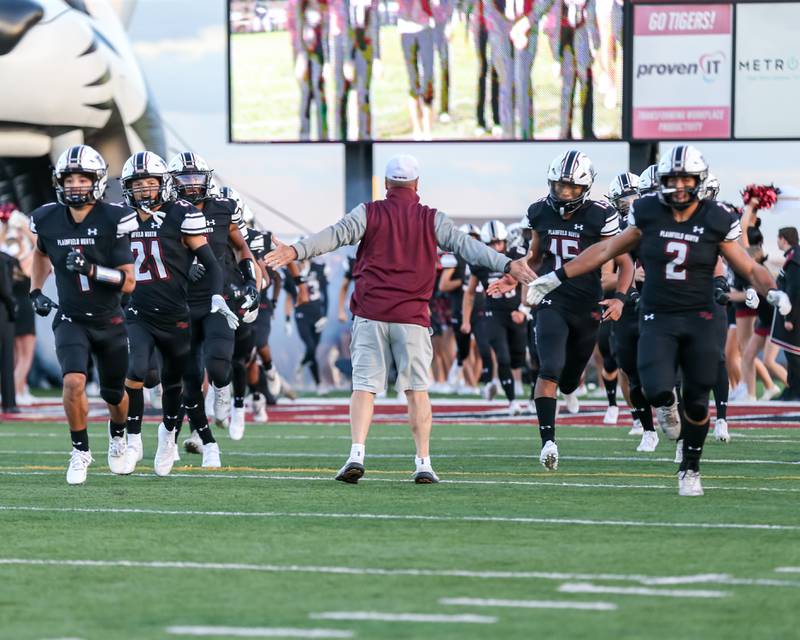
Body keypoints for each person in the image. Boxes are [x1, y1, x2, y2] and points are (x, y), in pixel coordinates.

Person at [525, 144, 791, 496]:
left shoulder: (716, 216)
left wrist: (771, 289)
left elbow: (746, 265)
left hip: (699, 314)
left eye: (686, 179)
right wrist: (557, 276)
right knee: (653, 386)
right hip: (658, 311)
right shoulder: (647, 211)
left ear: (698, 181)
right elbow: (607, 250)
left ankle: (690, 468)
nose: (679, 186)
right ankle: (665, 408)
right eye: (672, 179)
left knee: (696, 398)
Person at [265, 154, 534, 483]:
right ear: (417, 185)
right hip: (412, 317)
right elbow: (469, 248)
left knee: (364, 388)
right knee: (417, 390)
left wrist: (295, 251)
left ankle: (357, 453)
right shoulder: (431, 218)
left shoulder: (369, 212)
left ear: (387, 183)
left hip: (371, 313)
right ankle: (423, 462)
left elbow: (332, 236)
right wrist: (508, 265)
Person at [493, 150, 632, 470]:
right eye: (559, 186)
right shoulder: (540, 211)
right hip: (551, 299)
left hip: (588, 304)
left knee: (569, 381)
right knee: (549, 368)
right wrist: (512, 277)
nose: (563, 193)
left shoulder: (601, 214)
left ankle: (567, 392)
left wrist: (621, 298)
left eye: (570, 187)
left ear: (584, 188)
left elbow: (625, 261)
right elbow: (537, 256)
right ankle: (548, 443)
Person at [29, 144, 138, 485]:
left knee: (114, 394)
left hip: (109, 319)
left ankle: (118, 436)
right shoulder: (47, 218)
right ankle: (80, 450)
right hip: (72, 318)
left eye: (83, 178)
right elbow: (40, 254)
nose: (75, 184)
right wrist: (35, 291)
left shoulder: (114, 218)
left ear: (98, 181)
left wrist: (92, 270)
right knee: (73, 381)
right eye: (69, 178)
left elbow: (129, 282)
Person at [120, 151, 234, 476]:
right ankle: (132, 439)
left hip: (176, 312)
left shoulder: (180, 214)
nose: (144, 191)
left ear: (162, 185)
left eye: (150, 184)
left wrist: (215, 296)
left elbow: (211, 262)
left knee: (175, 384)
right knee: (137, 369)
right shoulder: (120, 219)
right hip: (139, 310)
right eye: (137, 185)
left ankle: (168, 434)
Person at [166, 153, 257, 464]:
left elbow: (240, 245)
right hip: (180, 301)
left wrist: (250, 279)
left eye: (196, 179)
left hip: (217, 299)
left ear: (206, 179)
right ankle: (201, 440)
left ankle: (222, 388)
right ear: (172, 182)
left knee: (219, 365)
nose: (191, 186)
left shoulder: (222, 208)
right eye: (184, 180)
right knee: (188, 377)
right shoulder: (166, 213)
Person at [462, 220, 528, 414]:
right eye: (491, 244)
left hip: (517, 313)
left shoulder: (516, 256)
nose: (496, 247)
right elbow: (470, 292)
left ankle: (532, 396)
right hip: (493, 313)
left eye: (499, 242)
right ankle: (512, 402)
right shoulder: (479, 262)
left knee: (520, 358)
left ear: (506, 241)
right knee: (503, 357)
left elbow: (530, 282)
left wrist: (523, 309)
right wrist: (466, 320)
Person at [398, 0, 435, 140]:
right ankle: (417, 128)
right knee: (413, 80)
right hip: (406, 29)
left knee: (428, 79)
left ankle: (427, 128)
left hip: (425, 27)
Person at [772, 227, 800, 400]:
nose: (777, 241)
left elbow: (794, 290)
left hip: (794, 314)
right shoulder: (793, 256)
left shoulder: (794, 259)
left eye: (778, 238)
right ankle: (792, 389)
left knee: (794, 354)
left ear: (784, 239)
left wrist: (790, 318)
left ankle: (796, 390)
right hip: (793, 312)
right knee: (791, 354)